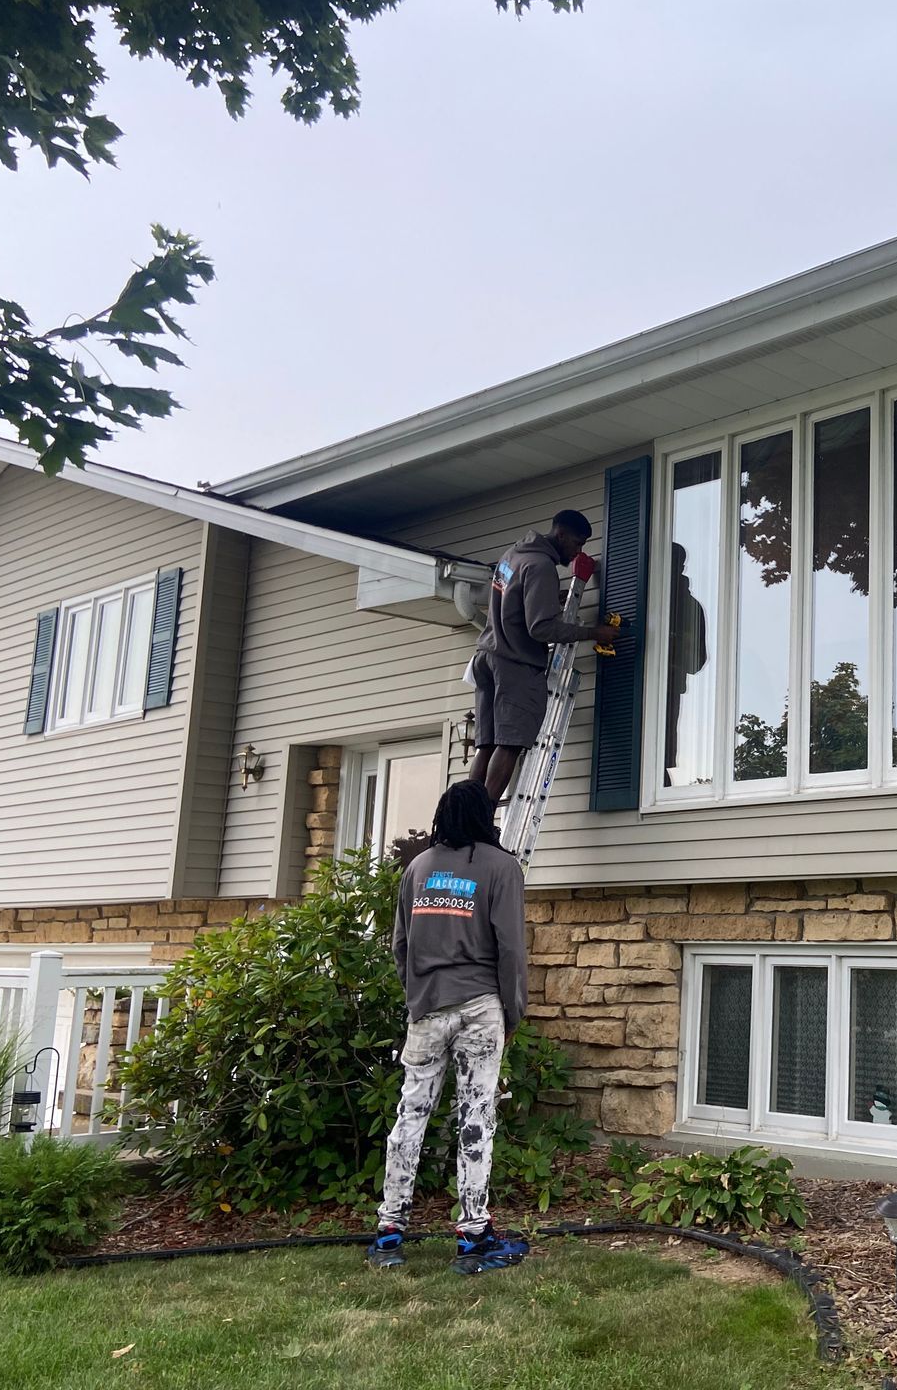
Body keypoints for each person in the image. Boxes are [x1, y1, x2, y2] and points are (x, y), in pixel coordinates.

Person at [366, 781, 529, 1274]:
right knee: (475, 1117)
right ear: (484, 815)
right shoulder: (501, 867)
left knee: (410, 1116)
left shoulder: (418, 868)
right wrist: (513, 1011)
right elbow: (510, 948)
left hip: (427, 1008)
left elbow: (400, 944)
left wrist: (417, 995)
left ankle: (389, 1231)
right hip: (480, 1007)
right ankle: (473, 1236)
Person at [467, 508, 618, 803]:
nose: (578, 552)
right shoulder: (541, 566)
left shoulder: (511, 556)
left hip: (486, 657)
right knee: (509, 743)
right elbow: (541, 628)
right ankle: (482, 817)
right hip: (514, 662)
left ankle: (465, 816)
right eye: (577, 543)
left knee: (486, 745)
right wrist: (594, 633)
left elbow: (512, 598)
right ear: (560, 534)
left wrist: (546, 598)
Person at [664, 542, 707, 786]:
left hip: (669, 688)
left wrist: (678, 647)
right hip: (639, 684)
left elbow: (696, 663)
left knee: (660, 752)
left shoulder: (689, 607)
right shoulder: (650, 597)